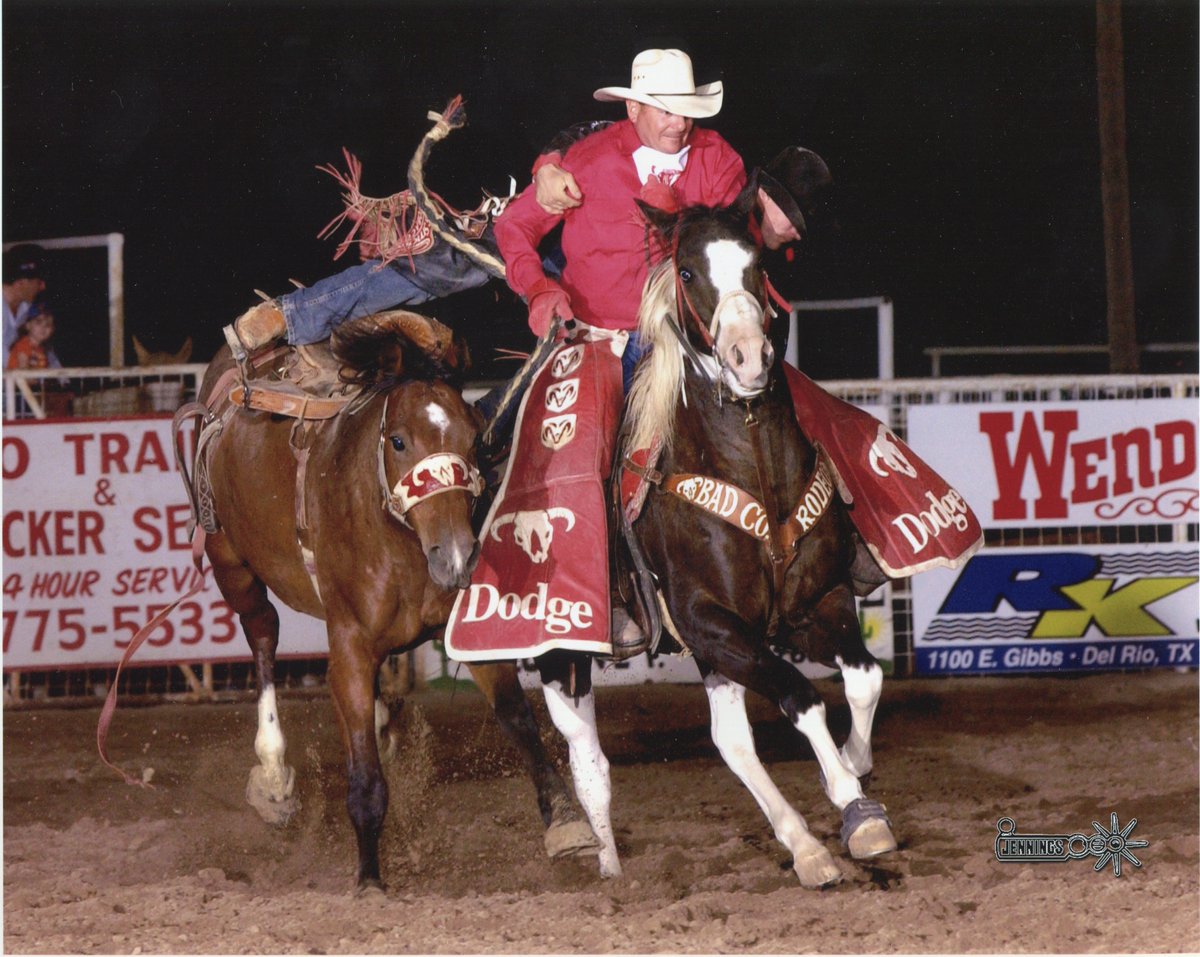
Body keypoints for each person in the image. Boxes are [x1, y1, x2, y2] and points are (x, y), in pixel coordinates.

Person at [494, 47, 746, 387]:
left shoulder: (717, 160)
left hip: (686, 342)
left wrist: (679, 218)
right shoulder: (589, 160)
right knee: (571, 436)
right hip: (596, 338)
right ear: (633, 108)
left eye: (687, 112)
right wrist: (538, 288)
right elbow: (515, 224)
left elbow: (736, 248)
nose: (680, 124)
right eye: (667, 112)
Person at [3, 243, 55, 367]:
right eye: (39, 282)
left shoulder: (26, 308)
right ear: (21, 282)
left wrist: (63, 379)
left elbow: (41, 346)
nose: (43, 287)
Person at [6, 303, 56, 370]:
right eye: (38, 322)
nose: (43, 327)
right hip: (18, 379)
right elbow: (23, 369)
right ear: (28, 325)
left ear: (52, 330)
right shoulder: (24, 344)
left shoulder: (41, 349)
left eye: (48, 325)